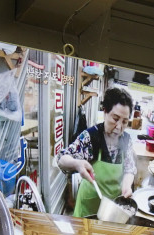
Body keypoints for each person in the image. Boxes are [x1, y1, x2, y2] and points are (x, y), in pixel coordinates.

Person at [57, 87, 137, 216]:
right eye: (115, 119)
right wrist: (77, 163)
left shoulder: (126, 140)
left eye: (125, 122)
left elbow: (129, 168)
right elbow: (62, 159)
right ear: (105, 111)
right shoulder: (91, 136)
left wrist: (127, 186)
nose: (119, 127)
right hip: (89, 208)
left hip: (112, 209)